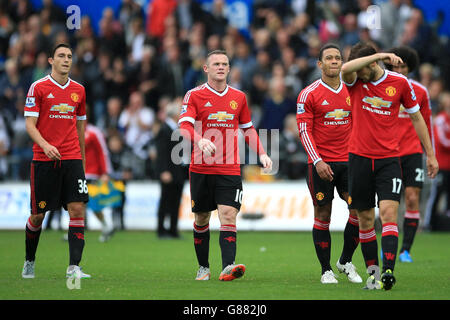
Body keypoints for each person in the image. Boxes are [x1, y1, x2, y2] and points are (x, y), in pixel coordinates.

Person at [341, 42, 439, 290]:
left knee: (388, 215)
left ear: (374, 65)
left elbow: (417, 117)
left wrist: (430, 154)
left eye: (365, 69)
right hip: (359, 158)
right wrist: (380, 54)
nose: (359, 76)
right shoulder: (355, 80)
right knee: (364, 219)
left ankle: (387, 271)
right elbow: (346, 69)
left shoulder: (400, 83)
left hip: (388, 159)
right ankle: (372, 274)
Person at [178, 50, 272, 281]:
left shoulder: (239, 97)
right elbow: (184, 126)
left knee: (228, 214)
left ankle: (228, 267)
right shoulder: (194, 95)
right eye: (216, 64)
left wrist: (262, 153)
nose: (220, 67)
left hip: (229, 168)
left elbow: (248, 129)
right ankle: (203, 267)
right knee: (201, 218)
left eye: (225, 64)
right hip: (201, 168)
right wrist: (200, 139)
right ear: (206, 69)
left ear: (229, 69)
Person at [21, 43, 90, 279]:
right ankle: (29, 261)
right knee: (38, 216)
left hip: (71, 157)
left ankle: (74, 268)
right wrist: (45, 145)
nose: (66, 60)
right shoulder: (38, 87)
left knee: (77, 208)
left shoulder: (79, 90)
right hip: (43, 158)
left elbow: (80, 126)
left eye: (69, 56)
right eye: (61, 56)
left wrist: (81, 159)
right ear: (51, 60)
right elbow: (29, 124)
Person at [296, 43, 362, 284]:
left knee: (358, 211)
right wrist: (317, 160)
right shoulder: (308, 94)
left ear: (342, 63)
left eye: (338, 58)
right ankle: (326, 270)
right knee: (323, 214)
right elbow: (304, 130)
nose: (334, 61)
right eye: (329, 58)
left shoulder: (353, 91)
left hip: (351, 163)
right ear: (320, 64)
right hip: (321, 164)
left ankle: (345, 260)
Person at [384, 46, 433, 262]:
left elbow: (426, 123)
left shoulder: (420, 91)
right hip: (388, 152)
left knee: (412, 198)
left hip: (413, 152)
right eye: (397, 66)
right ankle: (389, 246)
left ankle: (405, 250)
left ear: (410, 68)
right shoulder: (382, 88)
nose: (401, 70)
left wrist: (430, 155)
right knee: (389, 203)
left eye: (404, 67)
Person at [155, 101, 188, 239]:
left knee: (175, 201)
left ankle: (173, 229)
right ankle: (161, 229)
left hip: (178, 171)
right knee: (165, 200)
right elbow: (161, 153)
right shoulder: (165, 130)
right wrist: (163, 171)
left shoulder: (174, 128)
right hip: (169, 171)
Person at [84, 121, 115, 242]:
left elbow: (103, 152)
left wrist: (106, 172)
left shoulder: (94, 132)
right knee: (76, 203)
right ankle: (75, 232)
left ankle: (106, 226)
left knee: (93, 204)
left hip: (92, 173)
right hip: (76, 172)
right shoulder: (71, 130)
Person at [425, 93, 450, 230]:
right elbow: (442, 141)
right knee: (436, 194)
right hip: (442, 164)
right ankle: (428, 222)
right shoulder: (440, 120)